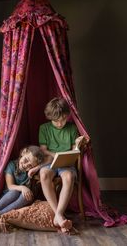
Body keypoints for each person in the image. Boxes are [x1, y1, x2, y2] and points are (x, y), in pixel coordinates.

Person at [35, 97, 88, 233]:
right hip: (50, 162)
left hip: (66, 163)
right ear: (50, 117)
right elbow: (43, 149)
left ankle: (58, 214)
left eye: (63, 120)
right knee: (44, 174)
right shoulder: (44, 128)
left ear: (67, 116)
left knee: (69, 176)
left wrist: (77, 145)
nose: (60, 123)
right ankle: (58, 215)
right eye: (56, 121)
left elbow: (73, 150)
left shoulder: (71, 128)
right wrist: (56, 155)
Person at [0, 145, 44, 222]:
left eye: (30, 166)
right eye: (26, 160)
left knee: (27, 197)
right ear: (23, 152)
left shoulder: (32, 172)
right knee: (14, 192)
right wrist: (23, 188)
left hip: (20, 201)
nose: (26, 165)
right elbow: (10, 186)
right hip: (9, 196)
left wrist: (37, 168)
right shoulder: (12, 165)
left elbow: (50, 160)